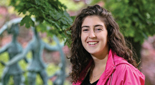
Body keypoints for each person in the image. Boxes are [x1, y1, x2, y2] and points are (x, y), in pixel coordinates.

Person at [68, 5, 145, 85]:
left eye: (98, 29)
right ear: (80, 35)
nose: (92, 35)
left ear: (109, 34)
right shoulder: (83, 71)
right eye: (86, 29)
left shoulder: (125, 72)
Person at [0, 20, 28, 85]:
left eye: (17, 28)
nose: (17, 30)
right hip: (8, 68)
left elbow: (25, 59)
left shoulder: (19, 46)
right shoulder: (9, 46)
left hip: (17, 69)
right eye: (15, 28)